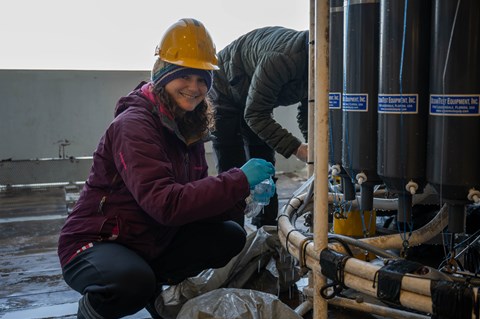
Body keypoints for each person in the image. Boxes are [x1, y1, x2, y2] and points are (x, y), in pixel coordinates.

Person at [57, 18, 275, 319]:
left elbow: (194, 201)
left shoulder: (187, 127)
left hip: (152, 238)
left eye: (202, 79)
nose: (194, 87)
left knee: (230, 236)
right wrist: (238, 178)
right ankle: (93, 310)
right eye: (184, 76)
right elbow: (166, 204)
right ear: (162, 76)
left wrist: (243, 196)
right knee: (131, 283)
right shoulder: (134, 125)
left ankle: (154, 291)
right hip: (97, 242)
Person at [209, 26, 309, 228]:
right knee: (233, 167)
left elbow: (309, 112)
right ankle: (232, 234)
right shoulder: (282, 59)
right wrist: (298, 149)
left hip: (253, 98)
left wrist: (314, 148)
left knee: (264, 166)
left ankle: (267, 231)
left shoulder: (324, 67)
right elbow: (255, 115)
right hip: (224, 88)